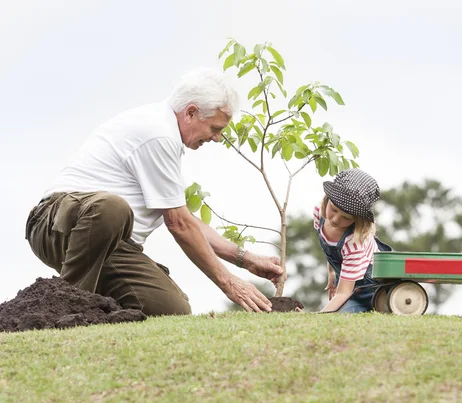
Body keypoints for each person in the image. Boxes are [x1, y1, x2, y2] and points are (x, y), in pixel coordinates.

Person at [25, 67, 282, 315]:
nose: (216, 138)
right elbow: (178, 224)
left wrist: (245, 259)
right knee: (112, 207)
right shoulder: (157, 132)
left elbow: (186, 219)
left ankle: (96, 309)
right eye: (215, 128)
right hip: (56, 224)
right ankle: (65, 306)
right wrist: (229, 283)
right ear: (191, 112)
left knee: (170, 308)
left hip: (109, 243)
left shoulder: (165, 134)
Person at [313, 168, 392, 313]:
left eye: (346, 218)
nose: (335, 219)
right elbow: (330, 250)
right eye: (334, 209)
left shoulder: (354, 244)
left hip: (370, 289)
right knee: (337, 310)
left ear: (358, 219)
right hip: (348, 279)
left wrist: (317, 316)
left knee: (337, 316)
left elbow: (344, 292)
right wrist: (331, 273)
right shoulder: (320, 213)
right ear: (327, 199)